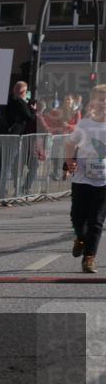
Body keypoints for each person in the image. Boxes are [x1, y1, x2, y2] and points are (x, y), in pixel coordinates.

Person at [64, 84, 106, 274]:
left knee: (96, 220)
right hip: (82, 178)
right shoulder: (85, 124)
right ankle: (80, 238)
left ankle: (89, 258)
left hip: (103, 181)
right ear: (93, 103)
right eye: (100, 99)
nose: (103, 103)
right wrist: (69, 161)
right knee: (78, 217)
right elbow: (70, 143)